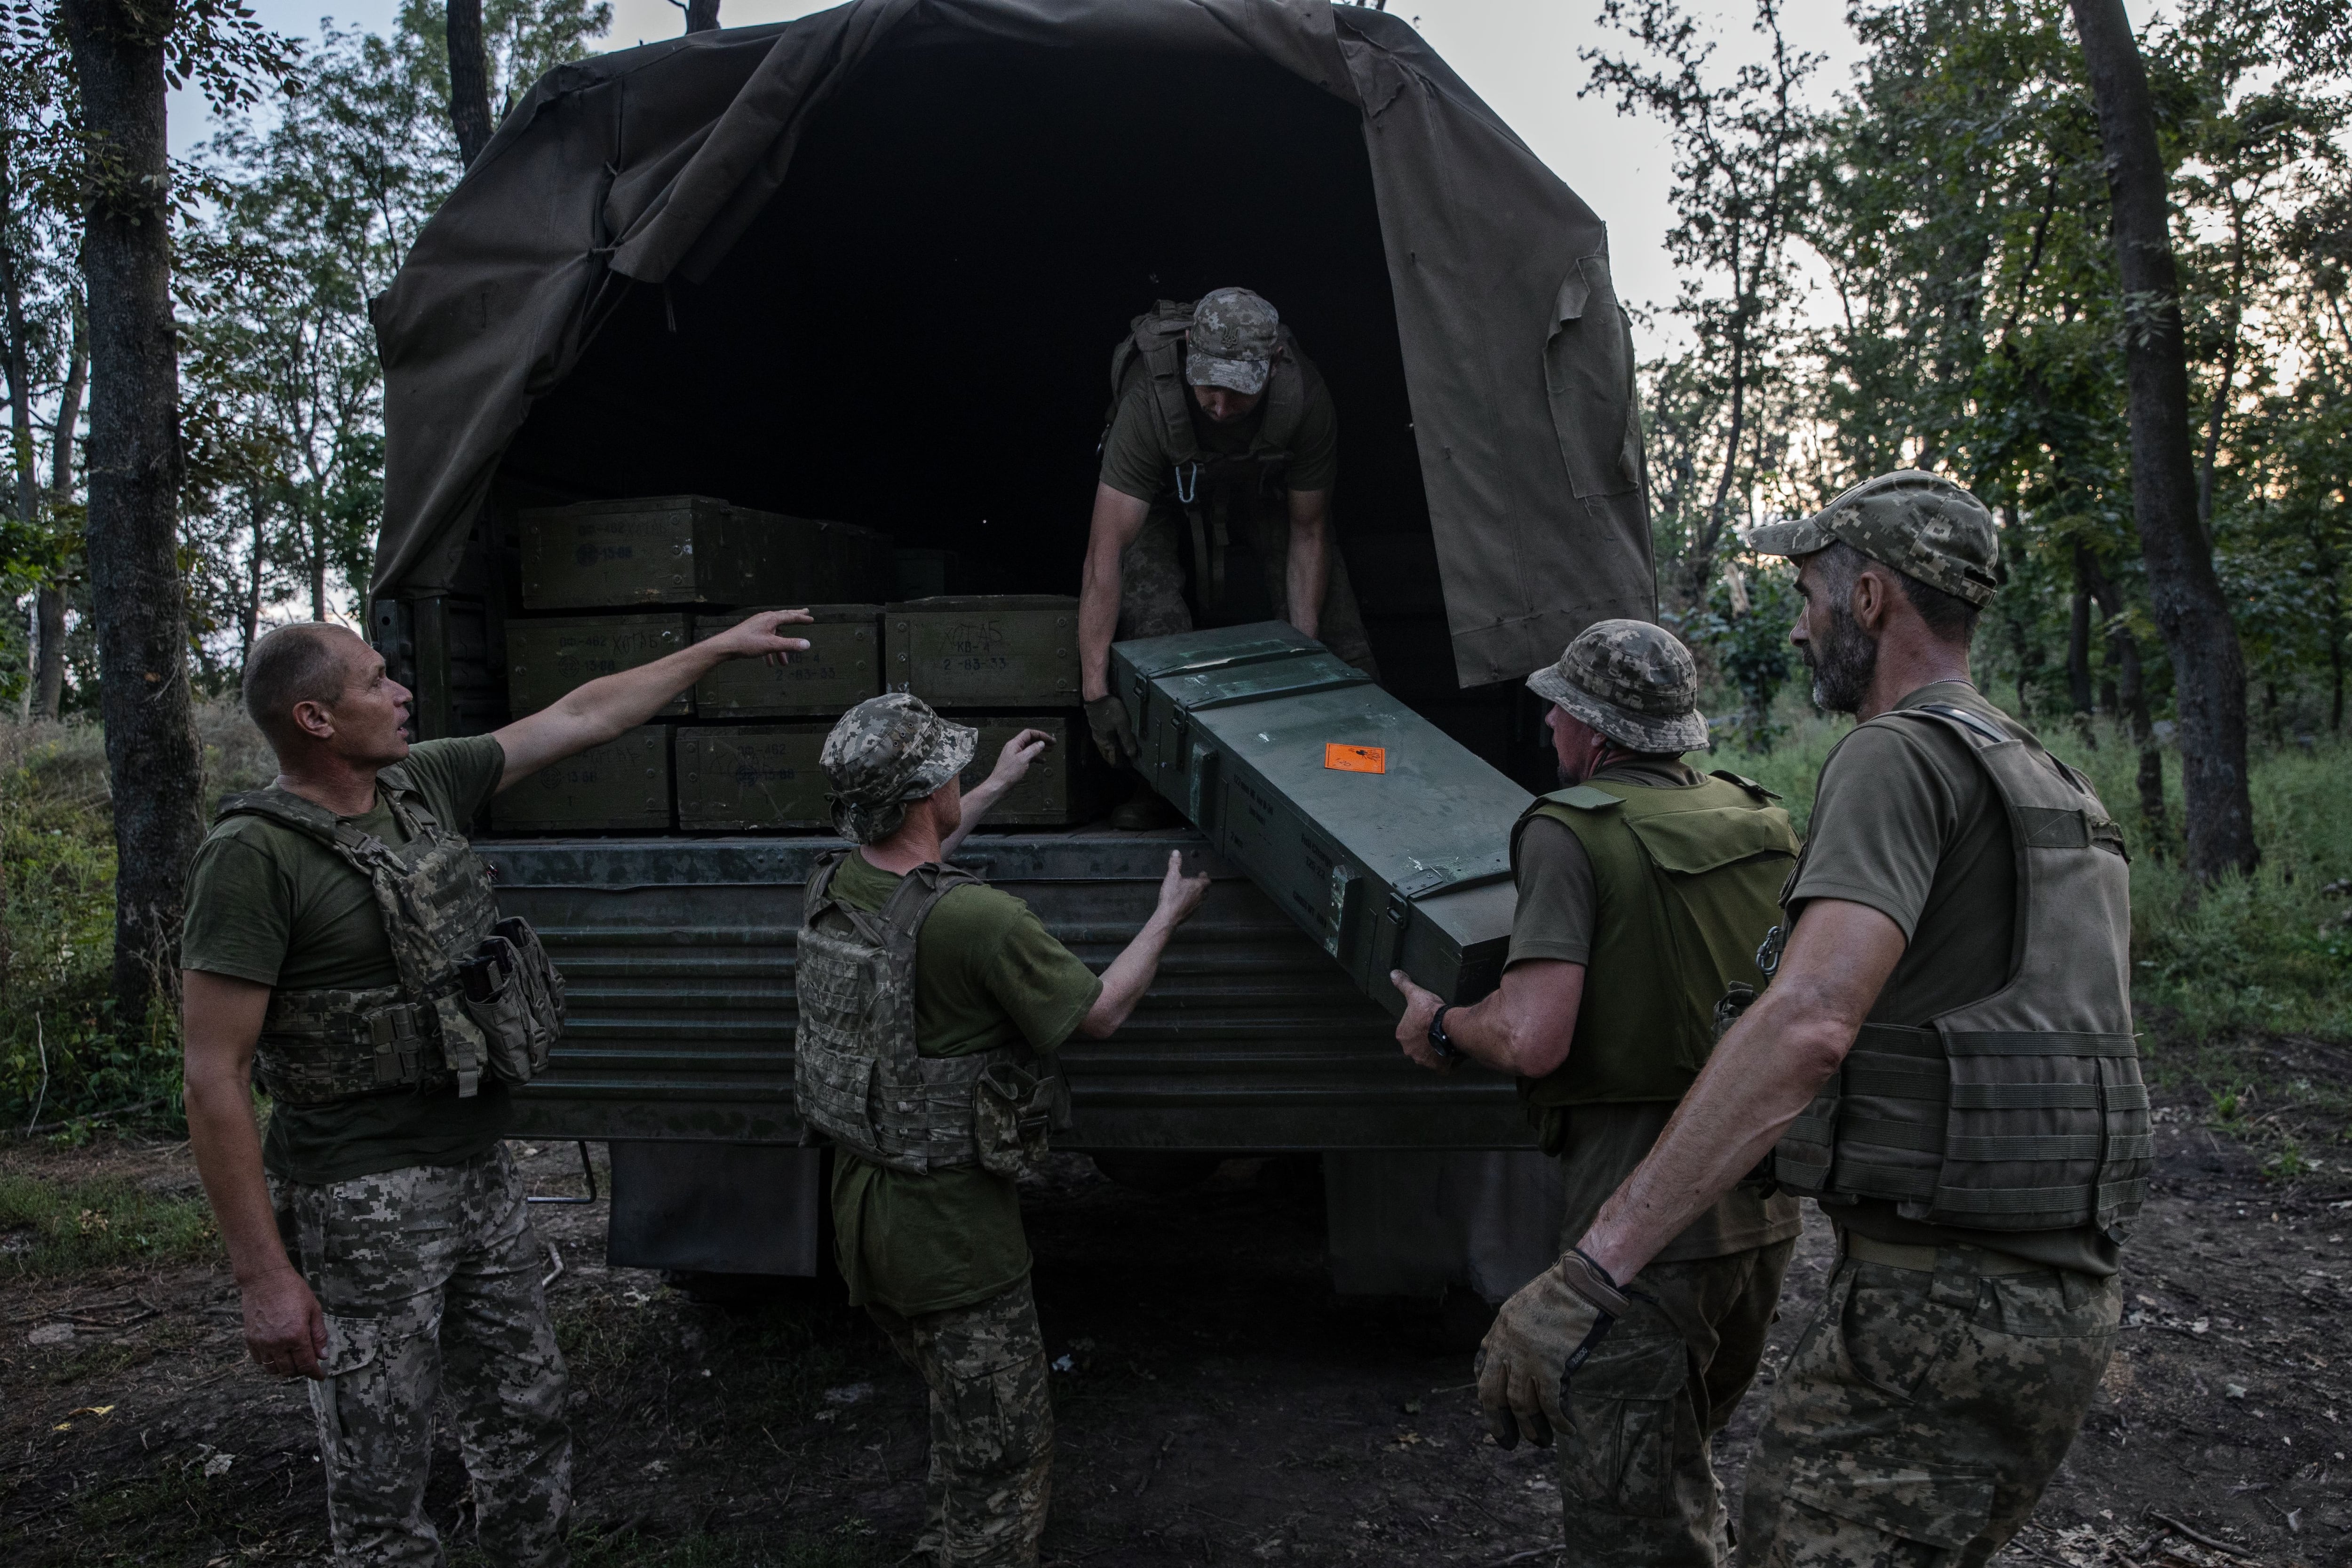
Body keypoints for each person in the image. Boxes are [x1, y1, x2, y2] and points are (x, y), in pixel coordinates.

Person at [1477, 472, 2143, 1568]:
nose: (1797, 626)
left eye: (1808, 595)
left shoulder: (1896, 755)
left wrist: (1592, 1270)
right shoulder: (2045, 776)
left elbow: (1809, 1026)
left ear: (1871, 597)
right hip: (2059, 1298)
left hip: (1940, 1304)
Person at [180, 608, 816, 1567]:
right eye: (374, 681)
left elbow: (582, 715)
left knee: (525, 1411)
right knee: (381, 1464)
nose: (400, 693)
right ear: (314, 719)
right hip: (362, 1196)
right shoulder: (252, 858)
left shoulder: (419, 784)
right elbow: (213, 1072)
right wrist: (263, 1278)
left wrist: (718, 648)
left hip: (477, 1168)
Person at [1389, 618, 1803, 1567]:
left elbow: (1533, 1034)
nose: (1544, 722)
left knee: (1630, 1504)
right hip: (1763, 1191)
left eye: (1558, 706)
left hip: (1641, 1198)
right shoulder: (1759, 814)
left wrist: (1443, 1024)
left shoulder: (1568, 830)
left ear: (1595, 730)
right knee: (1685, 1446)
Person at [799, 692, 1211, 1567]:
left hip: (865, 1219)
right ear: (919, 795)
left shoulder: (837, 885)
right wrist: (1169, 912)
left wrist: (991, 787)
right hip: (952, 1237)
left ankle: (945, 1543)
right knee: (1006, 1450)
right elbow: (1097, 1013)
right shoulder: (981, 921)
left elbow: (911, 860)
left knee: (961, 1414)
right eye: (947, 770)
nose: (958, 777)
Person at [1078, 287, 1379, 826]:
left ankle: (1360, 774)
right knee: (1151, 630)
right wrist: (1094, 689)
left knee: (1338, 637)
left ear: (1274, 363)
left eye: (1239, 392)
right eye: (1209, 386)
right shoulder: (1149, 401)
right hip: (1163, 497)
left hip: (1265, 489)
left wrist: (1304, 654)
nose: (1220, 407)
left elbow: (1307, 532)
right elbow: (1106, 551)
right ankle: (1159, 785)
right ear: (1190, 347)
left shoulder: (1302, 399)